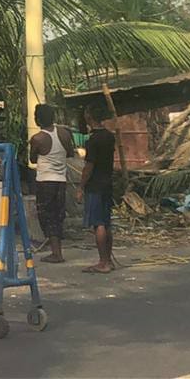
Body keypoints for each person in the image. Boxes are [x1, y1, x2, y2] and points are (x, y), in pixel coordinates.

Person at [28, 103, 75, 264]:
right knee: (58, 215)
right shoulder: (65, 133)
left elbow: (32, 159)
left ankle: (56, 253)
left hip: (45, 180)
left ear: (37, 119)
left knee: (47, 216)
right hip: (61, 180)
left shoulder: (37, 138)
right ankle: (57, 249)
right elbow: (70, 152)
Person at [78, 102, 117, 274]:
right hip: (107, 182)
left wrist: (81, 186)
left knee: (98, 224)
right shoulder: (109, 136)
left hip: (95, 185)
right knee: (106, 222)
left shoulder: (93, 140)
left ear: (89, 116)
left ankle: (103, 262)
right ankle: (108, 259)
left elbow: (89, 166)